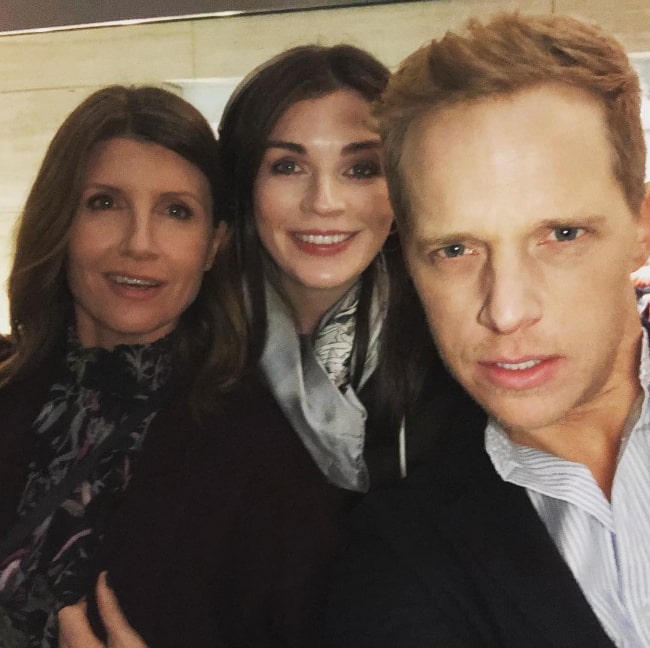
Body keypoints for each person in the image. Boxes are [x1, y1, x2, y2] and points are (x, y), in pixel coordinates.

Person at [327, 13, 650, 648]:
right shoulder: (398, 555)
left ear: (642, 225)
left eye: (561, 235)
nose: (504, 312)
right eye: (454, 250)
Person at [0, 84, 339, 647]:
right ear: (60, 220)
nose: (139, 244)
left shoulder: (269, 458)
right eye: (104, 203)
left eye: (177, 212)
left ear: (213, 246)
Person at [218, 44, 446, 494]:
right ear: (247, 186)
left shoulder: (448, 341)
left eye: (361, 169)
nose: (323, 202)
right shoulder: (198, 341)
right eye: (287, 166)